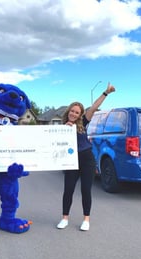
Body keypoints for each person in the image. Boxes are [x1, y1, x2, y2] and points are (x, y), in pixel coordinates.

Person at [57, 83, 116, 231]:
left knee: (85, 190)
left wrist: (106, 92)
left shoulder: (83, 121)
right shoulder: (60, 127)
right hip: (71, 161)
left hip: (87, 159)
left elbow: (94, 106)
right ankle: (65, 218)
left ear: (80, 114)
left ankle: (86, 220)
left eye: (77, 112)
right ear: (68, 111)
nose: (74, 114)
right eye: (72, 111)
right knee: (68, 189)